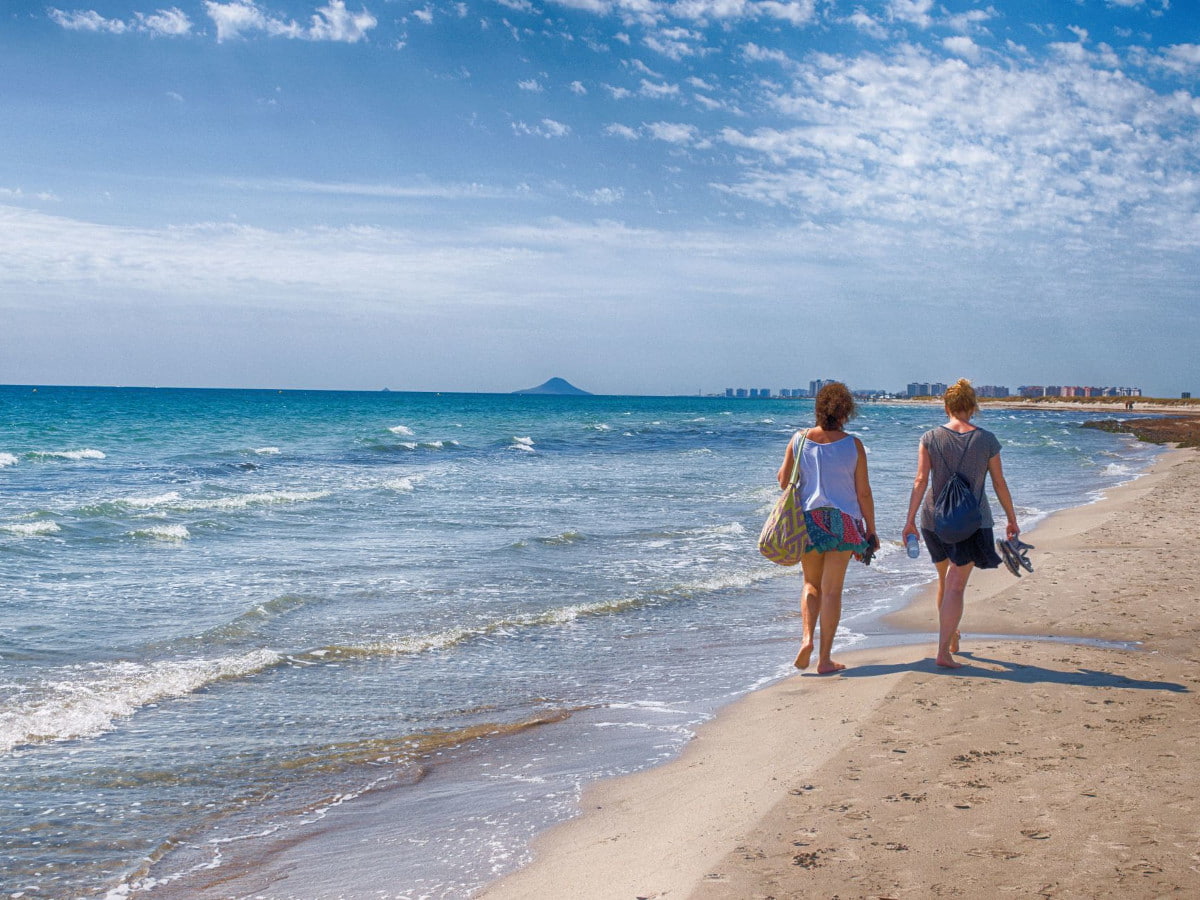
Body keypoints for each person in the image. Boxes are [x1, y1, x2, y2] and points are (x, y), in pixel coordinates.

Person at [901, 379, 1020, 668]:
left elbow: (920, 481)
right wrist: (1011, 518)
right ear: (973, 407)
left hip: (934, 519)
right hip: (971, 521)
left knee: (946, 580)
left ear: (947, 407)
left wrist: (910, 521)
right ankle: (943, 651)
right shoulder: (987, 440)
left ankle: (950, 634)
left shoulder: (929, 437)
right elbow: (999, 482)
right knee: (956, 585)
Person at [776, 382, 877, 674]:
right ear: (846, 411)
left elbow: (784, 481)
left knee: (811, 584)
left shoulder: (799, 439)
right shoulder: (853, 445)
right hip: (843, 522)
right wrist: (871, 529)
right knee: (832, 591)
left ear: (818, 408)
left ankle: (806, 638)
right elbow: (864, 492)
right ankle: (824, 660)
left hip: (808, 520)